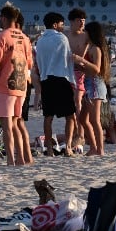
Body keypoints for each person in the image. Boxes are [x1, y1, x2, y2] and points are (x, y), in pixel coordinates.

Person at [0, 4, 34, 166]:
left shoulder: (1, 37)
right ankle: (22, 159)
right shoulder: (25, 38)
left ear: (3, 17)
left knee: (7, 125)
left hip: (5, 85)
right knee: (16, 122)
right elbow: (29, 64)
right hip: (22, 85)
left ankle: (10, 159)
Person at [34, 11, 77, 157]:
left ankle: (50, 149)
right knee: (70, 115)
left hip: (46, 80)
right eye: (61, 23)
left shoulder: (40, 40)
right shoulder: (61, 38)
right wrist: (72, 80)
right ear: (55, 24)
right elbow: (67, 60)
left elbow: (38, 62)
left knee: (48, 116)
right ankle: (69, 147)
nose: (63, 26)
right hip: (61, 78)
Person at [77, 21, 111, 156]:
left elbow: (96, 69)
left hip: (95, 84)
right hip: (89, 84)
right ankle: (93, 147)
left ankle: (99, 149)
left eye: (85, 32)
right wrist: (79, 65)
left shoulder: (96, 49)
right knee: (83, 119)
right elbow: (89, 69)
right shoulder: (90, 48)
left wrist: (83, 61)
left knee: (94, 120)